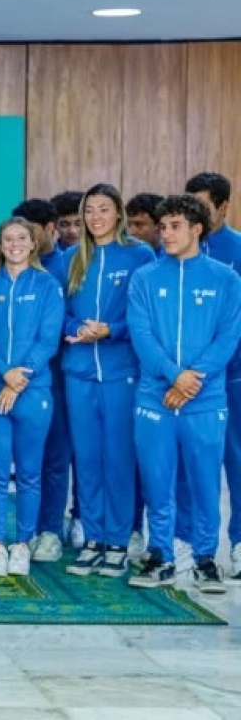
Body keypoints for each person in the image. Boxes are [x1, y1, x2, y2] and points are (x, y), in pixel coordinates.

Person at [128, 194, 241, 591]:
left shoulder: (226, 279)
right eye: (162, 227)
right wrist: (174, 375)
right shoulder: (144, 278)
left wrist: (192, 379)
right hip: (154, 397)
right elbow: (141, 335)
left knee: (205, 481)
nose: (166, 233)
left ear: (197, 229)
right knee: (158, 481)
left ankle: (206, 557)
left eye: (175, 226)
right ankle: (160, 554)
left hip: (205, 400)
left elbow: (229, 336)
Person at [57, 184, 154, 578]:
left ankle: (118, 539)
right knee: (87, 459)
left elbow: (145, 316)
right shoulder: (70, 259)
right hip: (78, 372)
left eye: (104, 209)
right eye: (89, 211)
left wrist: (110, 330)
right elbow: (56, 314)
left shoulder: (139, 255)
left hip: (121, 373)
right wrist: (78, 327)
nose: (96, 217)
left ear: (118, 214)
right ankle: (93, 539)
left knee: (119, 458)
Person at [0, 218, 63, 578]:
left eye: (21, 238)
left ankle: (22, 544)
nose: (14, 244)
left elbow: (48, 339)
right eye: (7, 238)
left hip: (32, 391)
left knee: (28, 473)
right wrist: (3, 374)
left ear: (32, 244)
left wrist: (17, 379)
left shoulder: (47, 285)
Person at [13, 197, 79, 558]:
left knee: (56, 456)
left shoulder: (66, 266)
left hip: (56, 377)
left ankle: (51, 530)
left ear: (50, 230)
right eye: (16, 235)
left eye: (30, 234)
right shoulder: (8, 271)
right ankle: (23, 531)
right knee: (22, 461)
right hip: (11, 380)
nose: (21, 242)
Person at [184, 173, 241, 581]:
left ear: (222, 206)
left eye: (203, 206)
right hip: (181, 382)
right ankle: (186, 544)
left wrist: (211, 366)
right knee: (188, 464)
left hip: (232, 377)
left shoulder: (237, 250)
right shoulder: (177, 248)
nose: (196, 214)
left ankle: (237, 542)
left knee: (236, 463)